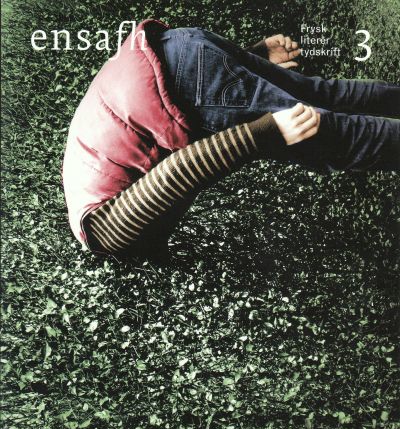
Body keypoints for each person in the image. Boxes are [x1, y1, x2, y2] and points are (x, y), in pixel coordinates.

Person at [62, 19, 400, 259]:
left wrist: (264, 134)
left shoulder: (104, 235)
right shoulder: (85, 181)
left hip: (176, 86)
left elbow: (176, 172)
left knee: (331, 136)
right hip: (174, 47)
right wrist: (251, 59)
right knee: (320, 93)